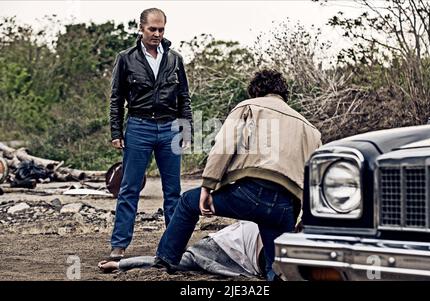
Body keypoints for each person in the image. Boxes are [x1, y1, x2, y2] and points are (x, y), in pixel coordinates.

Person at [153, 69, 322, 281]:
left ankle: (163, 261)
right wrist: (305, 219)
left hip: (249, 195)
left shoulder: (248, 107)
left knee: (188, 201)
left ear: (256, 91)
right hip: (284, 208)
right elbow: (316, 180)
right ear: (283, 93)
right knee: (276, 270)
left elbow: (223, 147)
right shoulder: (311, 130)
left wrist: (207, 186)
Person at [109, 7, 192, 260]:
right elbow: (116, 98)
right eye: (152, 29)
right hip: (138, 127)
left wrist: (186, 130)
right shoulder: (126, 58)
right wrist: (116, 131)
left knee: (173, 192)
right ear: (141, 28)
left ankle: (174, 246)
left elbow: (184, 98)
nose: (157, 34)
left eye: (161, 29)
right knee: (129, 188)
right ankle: (119, 245)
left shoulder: (175, 59)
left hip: (170, 129)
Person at [98, 221, 265, 278]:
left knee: (169, 263)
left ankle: (118, 264)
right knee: (167, 263)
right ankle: (117, 264)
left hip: (227, 246)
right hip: (218, 247)